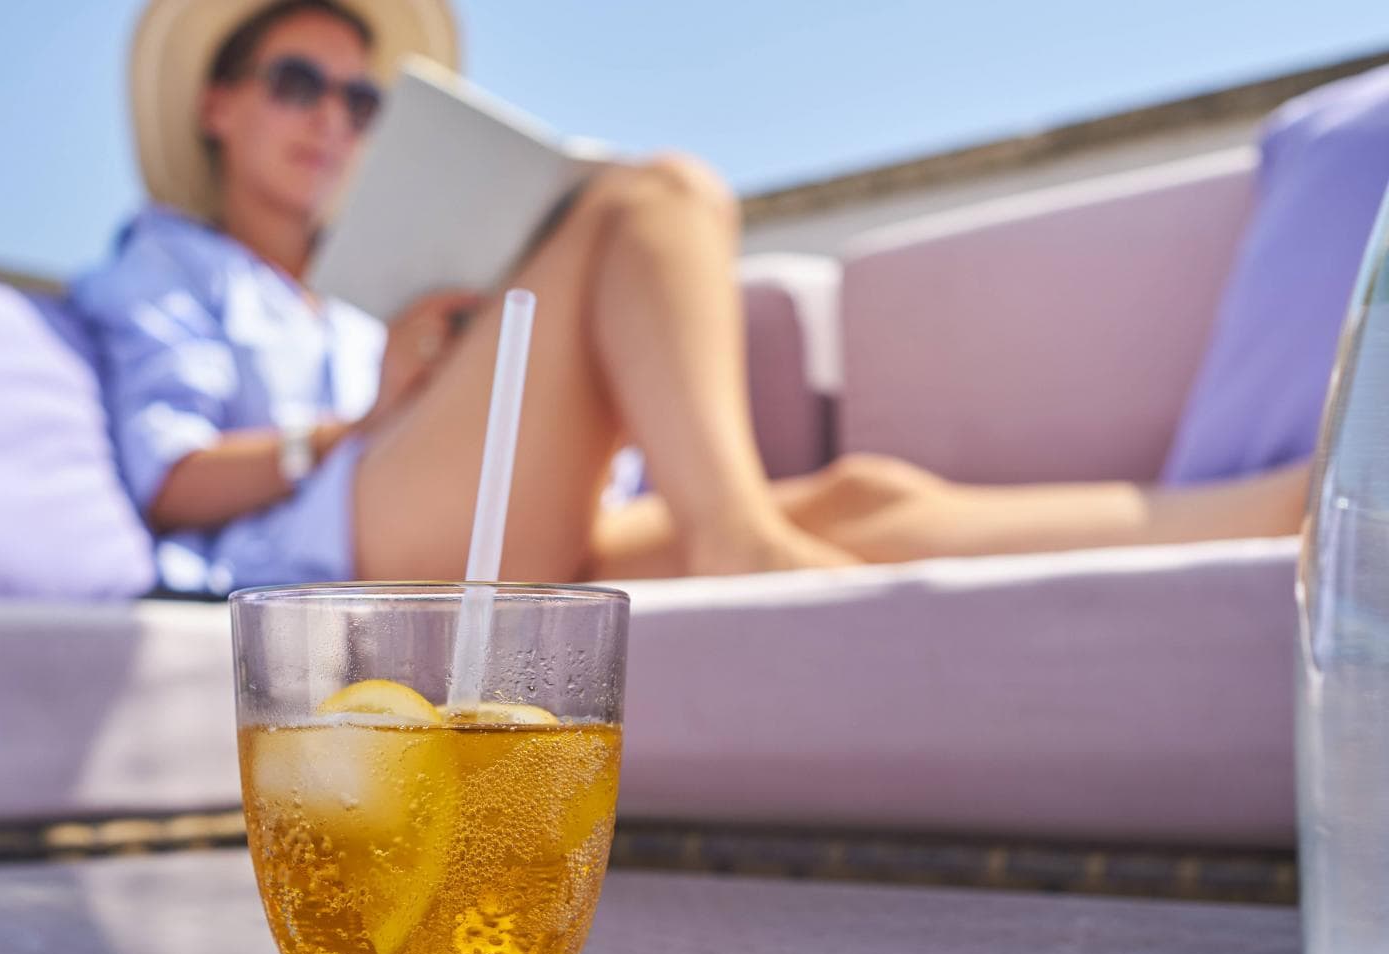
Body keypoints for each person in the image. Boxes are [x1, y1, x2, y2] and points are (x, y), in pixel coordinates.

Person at [74, 0, 1360, 594]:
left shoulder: (357, 286)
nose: (335, 120)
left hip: (495, 514)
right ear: (218, 103)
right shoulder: (165, 266)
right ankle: (747, 555)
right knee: (657, 197)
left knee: (870, 497)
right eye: (300, 83)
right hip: (332, 552)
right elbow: (171, 479)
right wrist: (371, 419)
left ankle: (1270, 517)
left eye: (362, 100)